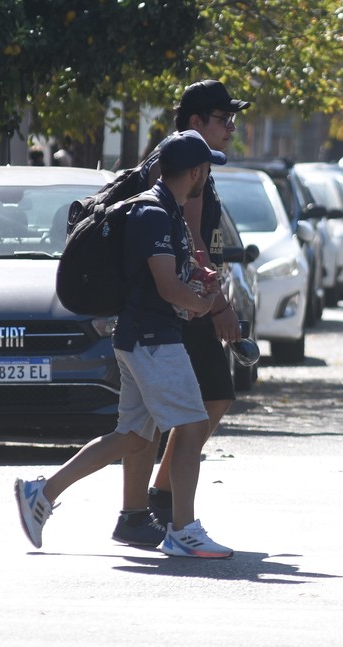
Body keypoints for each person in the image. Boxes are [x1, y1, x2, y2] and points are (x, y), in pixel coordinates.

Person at [15, 130, 234, 559]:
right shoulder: (154, 213)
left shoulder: (161, 209)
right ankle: (183, 530)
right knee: (191, 428)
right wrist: (205, 303)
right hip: (154, 341)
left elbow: (163, 280)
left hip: (141, 338)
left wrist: (196, 285)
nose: (206, 178)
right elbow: (167, 288)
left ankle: (41, 493)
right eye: (206, 170)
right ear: (194, 171)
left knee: (132, 437)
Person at [111, 79, 250, 547]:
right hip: (173, 309)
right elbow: (189, 248)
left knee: (188, 406)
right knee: (198, 405)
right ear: (196, 123)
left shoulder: (188, 168)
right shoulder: (184, 175)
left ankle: (150, 504)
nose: (231, 127)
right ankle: (155, 510)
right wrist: (219, 306)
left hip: (175, 308)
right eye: (222, 118)